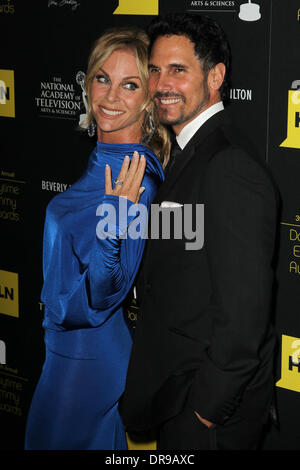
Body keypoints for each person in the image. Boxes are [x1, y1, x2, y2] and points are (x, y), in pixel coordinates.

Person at [120, 13, 278, 450]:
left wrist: (205, 412)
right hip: (178, 394)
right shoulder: (188, 151)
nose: (160, 83)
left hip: (208, 414)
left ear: (216, 77)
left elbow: (244, 315)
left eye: (177, 70)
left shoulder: (227, 165)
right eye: (154, 70)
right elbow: (188, 252)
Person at [24, 27, 167, 450]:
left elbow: (108, 291)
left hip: (88, 355)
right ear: (87, 83)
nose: (111, 96)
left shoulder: (135, 176)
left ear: (148, 100)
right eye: (103, 78)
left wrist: (116, 226)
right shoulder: (107, 156)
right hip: (65, 349)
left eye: (130, 85)